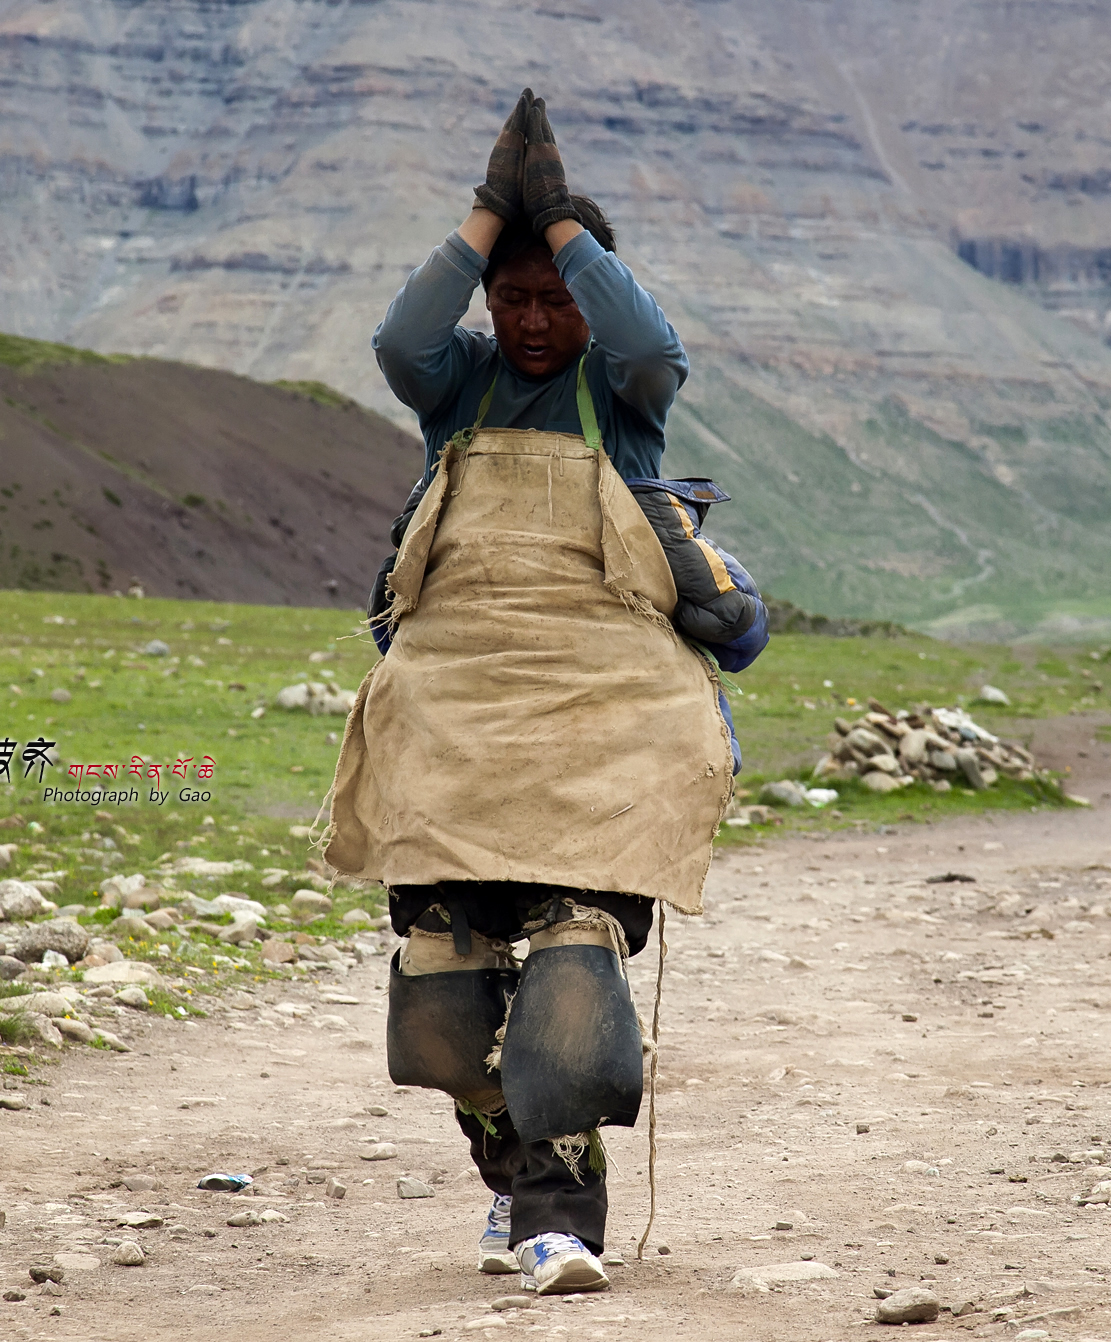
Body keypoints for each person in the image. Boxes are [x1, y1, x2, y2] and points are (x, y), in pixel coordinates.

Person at [330, 88, 761, 1299]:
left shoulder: (623, 401)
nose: (531, 319)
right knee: (438, 1008)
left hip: (595, 722)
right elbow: (396, 342)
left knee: (573, 972)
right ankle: (513, 1164)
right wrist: (487, 215)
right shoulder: (454, 383)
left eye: (556, 297)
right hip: (454, 719)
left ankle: (558, 1218)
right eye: (511, 296)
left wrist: (563, 224)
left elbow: (650, 347)